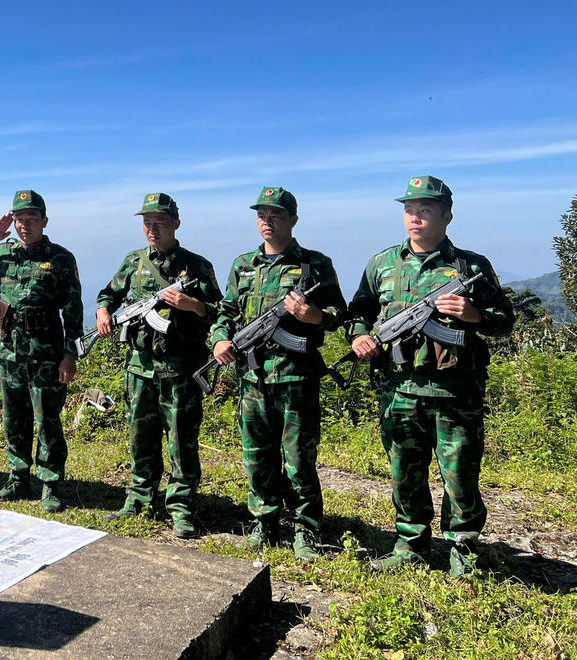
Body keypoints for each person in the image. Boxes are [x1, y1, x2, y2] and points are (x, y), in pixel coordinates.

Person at [346, 176, 514, 576]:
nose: (415, 217)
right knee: (405, 473)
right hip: (399, 390)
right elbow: (358, 312)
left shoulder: (471, 266)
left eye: (425, 210)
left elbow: (504, 319)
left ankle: (463, 550)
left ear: (446, 216)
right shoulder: (382, 264)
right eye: (409, 210)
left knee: (460, 477)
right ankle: (410, 545)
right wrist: (359, 337)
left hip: (455, 393)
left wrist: (474, 315)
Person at [210, 187, 346, 558]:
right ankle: (264, 521)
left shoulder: (314, 264)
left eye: (276, 216)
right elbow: (226, 312)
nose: (267, 222)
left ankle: (306, 529)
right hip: (253, 378)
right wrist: (220, 339)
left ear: (293, 220)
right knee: (257, 456)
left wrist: (313, 316)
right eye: (262, 216)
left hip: (297, 376)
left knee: (299, 459)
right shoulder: (243, 265)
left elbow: (339, 315)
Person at [96, 193, 221, 537]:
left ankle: (181, 506)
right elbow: (108, 294)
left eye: (160, 222)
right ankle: (139, 499)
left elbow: (220, 313)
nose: (152, 229)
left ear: (176, 224)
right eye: (147, 223)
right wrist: (103, 311)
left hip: (180, 368)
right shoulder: (133, 262)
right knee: (141, 437)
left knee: (182, 440)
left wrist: (192, 304)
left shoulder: (197, 265)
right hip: (139, 367)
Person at [0, 190, 82, 513]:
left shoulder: (60, 258)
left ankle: (50, 484)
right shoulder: (3, 253)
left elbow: (73, 309)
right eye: (20, 220)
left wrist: (70, 354)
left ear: (44, 221)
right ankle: (18, 477)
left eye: (31, 219)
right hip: (9, 349)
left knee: (47, 420)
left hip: (46, 352)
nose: (25, 225)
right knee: (14, 418)